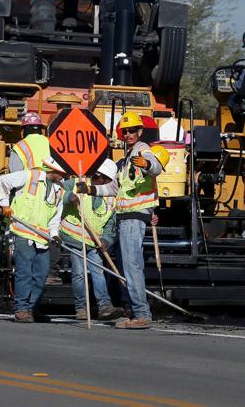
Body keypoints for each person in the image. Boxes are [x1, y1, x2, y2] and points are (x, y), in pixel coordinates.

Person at [78, 112, 162, 329]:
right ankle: (136, 312)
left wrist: (146, 163)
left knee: (132, 266)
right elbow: (114, 188)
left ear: (140, 131)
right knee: (130, 266)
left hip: (134, 216)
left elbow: (156, 167)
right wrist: (91, 189)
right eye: (125, 131)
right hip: (125, 217)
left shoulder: (143, 150)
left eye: (132, 130)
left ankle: (142, 314)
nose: (128, 134)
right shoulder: (126, 160)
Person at [0, 156, 68, 323]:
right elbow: (3, 181)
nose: (64, 177)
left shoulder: (60, 189)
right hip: (23, 233)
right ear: (52, 170)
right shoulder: (30, 176)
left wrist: (55, 234)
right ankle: (21, 309)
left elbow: (55, 216)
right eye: (62, 173)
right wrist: (5, 204)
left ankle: (31, 307)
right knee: (24, 273)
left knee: (41, 275)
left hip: (42, 239)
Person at [59, 159, 124, 322]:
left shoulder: (111, 196)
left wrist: (106, 241)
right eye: (103, 179)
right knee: (79, 274)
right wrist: (69, 196)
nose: (105, 183)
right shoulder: (76, 183)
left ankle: (104, 306)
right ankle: (81, 308)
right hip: (75, 237)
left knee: (98, 272)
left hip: (95, 241)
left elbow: (110, 223)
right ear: (97, 176)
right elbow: (55, 191)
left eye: (108, 181)